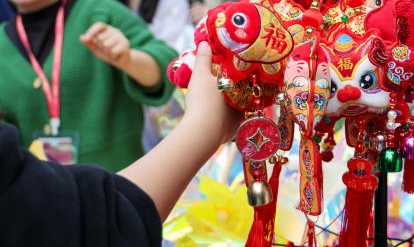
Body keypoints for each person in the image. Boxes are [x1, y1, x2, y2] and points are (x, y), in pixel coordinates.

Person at [0, 42, 242, 247]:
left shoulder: (100, 11)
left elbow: (161, 61)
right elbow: (83, 225)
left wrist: (129, 59)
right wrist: (206, 123)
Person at [0, 0, 177, 171]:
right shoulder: (2, 41)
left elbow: (166, 67)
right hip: (40, 199)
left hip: (118, 187)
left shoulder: (100, 13)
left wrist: (129, 59)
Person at [109, 0, 193, 149]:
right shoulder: (104, 2)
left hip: (163, 109)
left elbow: (170, 55)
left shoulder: (174, 0)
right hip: (117, 106)